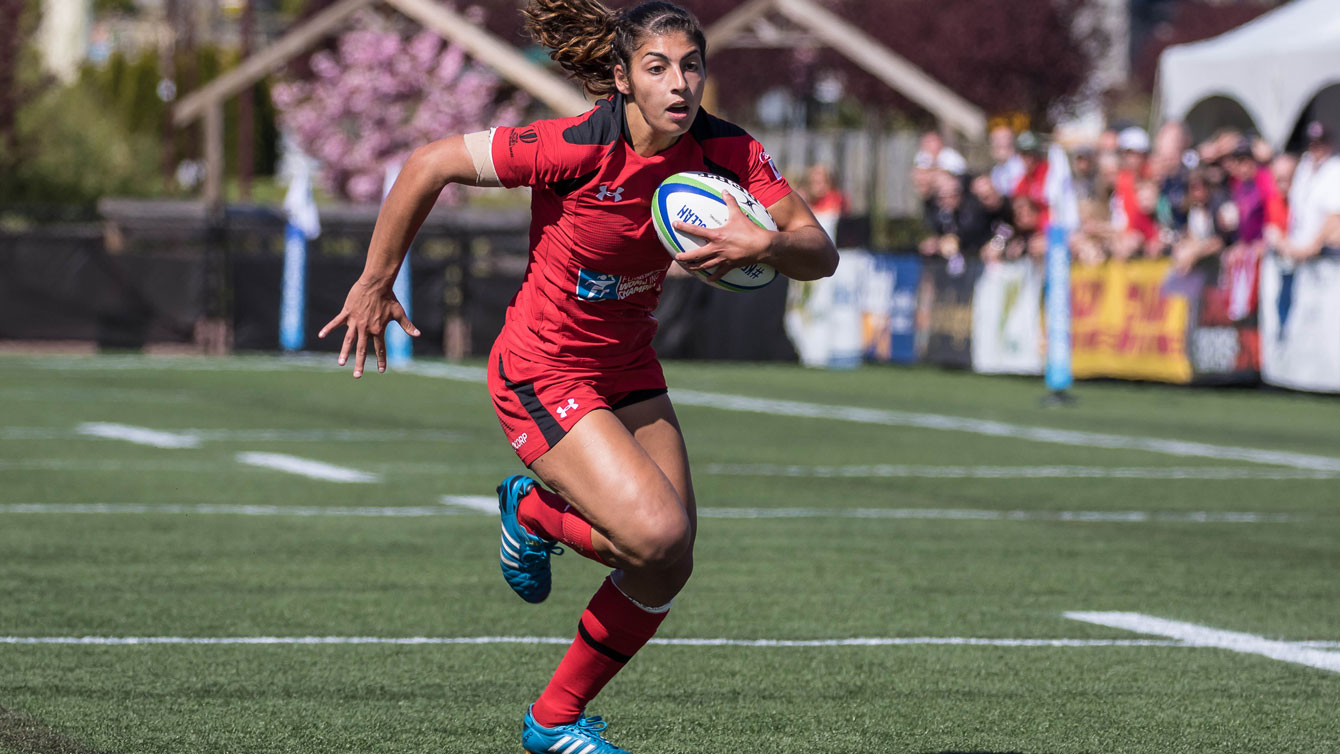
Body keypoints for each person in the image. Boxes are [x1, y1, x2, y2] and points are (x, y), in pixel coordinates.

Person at [318, 2, 837, 752]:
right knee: (655, 534)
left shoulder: (728, 149)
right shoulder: (575, 145)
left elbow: (819, 250)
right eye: (657, 68)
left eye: (691, 66)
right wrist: (374, 281)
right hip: (542, 368)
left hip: (627, 363)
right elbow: (427, 163)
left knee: (669, 562)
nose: (678, 83)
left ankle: (553, 721)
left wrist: (768, 241)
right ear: (622, 79)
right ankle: (535, 512)